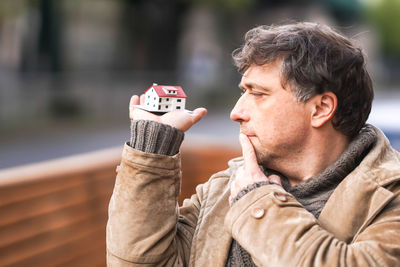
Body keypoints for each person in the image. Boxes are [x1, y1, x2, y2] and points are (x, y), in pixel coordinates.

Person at [106, 22, 400, 266]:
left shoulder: (389, 197)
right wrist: (151, 151)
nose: (236, 112)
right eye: (243, 91)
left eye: (258, 94)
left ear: (321, 108)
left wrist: (259, 203)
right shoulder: (225, 188)